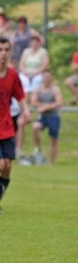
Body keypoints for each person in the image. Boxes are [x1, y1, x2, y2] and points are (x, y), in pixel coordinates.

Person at [0, 36, 31, 212]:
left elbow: (19, 95)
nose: (3, 54)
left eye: (6, 50)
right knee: (1, 164)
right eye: (0, 50)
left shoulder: (12, 75)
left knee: (7, 167)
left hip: (6, 127)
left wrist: (25, 110)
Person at [28, 70, 63, 164]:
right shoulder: (38, 89)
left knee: (53, 140)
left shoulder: (55, 89)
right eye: (45, 77)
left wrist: (46, 107)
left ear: (51, 78)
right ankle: (38, 148)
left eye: (48, 77)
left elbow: (59, 102)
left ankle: (52, 162)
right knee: (35, 127)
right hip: (43, 116)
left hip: (54, 116)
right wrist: (45, 106)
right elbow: (33, 102)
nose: (47, 79)